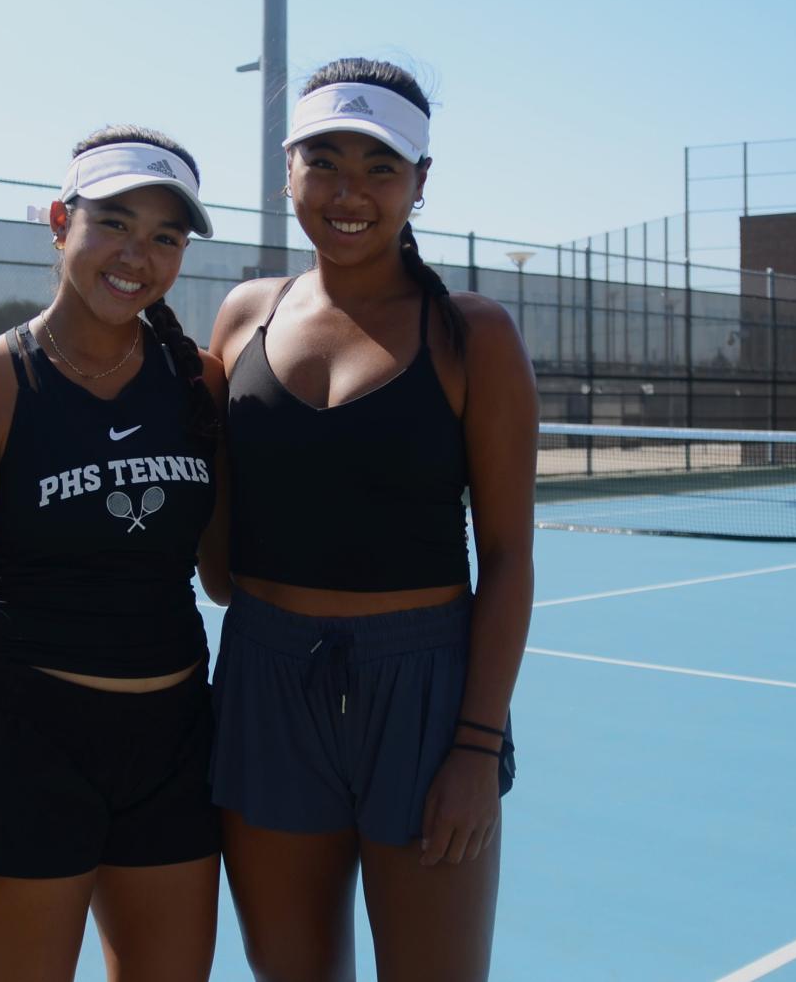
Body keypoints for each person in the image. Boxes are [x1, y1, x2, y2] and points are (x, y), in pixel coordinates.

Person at [203, 59, 539, 982]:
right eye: (323, 160)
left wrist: (475, 744)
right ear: (287, 171)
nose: (348, 191)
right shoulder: (241, 317)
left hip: (428, 699)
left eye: (380, 166)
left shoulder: (474, 334)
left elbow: (508, 557)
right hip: (264, 680)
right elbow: (219, 562)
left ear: (420, 184)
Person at [0, 126, 226, 982]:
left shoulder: (199, 379)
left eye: (165, 236)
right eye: (115, 223)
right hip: (28, 746)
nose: (138, 254)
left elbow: (224, 573)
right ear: (60, 222)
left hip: (173, 745)